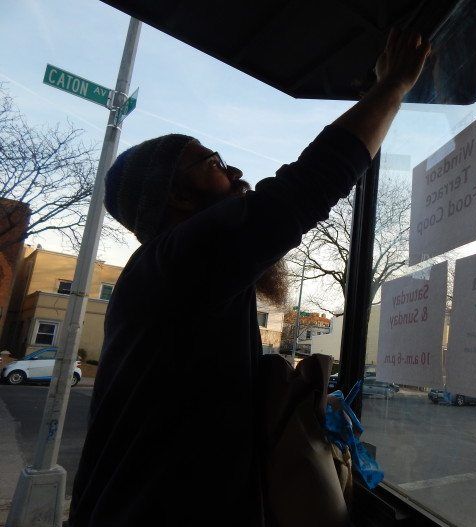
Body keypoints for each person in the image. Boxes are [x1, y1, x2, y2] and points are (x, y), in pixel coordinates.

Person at [68, 28, 430, 526]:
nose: (236, 170)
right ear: (176, 197)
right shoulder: (177, 263)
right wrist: (392, 87)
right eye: (213, 164)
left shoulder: (175, 281)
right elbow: (305, 187)